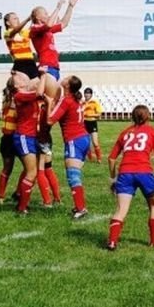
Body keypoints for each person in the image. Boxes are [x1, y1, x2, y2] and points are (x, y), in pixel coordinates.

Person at [106, 105, 154, 250]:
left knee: (121, 209)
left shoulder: (125, 133)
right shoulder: (153, 132)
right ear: (148, 117)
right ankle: (153, 242)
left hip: (125, 173)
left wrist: (113, 179)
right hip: (144, 172)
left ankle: (112, 241)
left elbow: (111, 159)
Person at [45, 75, 91, 219]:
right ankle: (80, 206)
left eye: (67, 78)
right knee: (75, 174)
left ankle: (81, 208)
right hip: (84, 138)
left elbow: (50, 120)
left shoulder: (67, 100)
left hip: (74, 140)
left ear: (68, 86)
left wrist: (49, 103)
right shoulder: (76, 100)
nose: (64, 77)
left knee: (73, 175)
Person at [11, 74, 48, 214]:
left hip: (30, 136)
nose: (24, 78)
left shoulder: (25, 94)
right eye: (20, 79)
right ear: (17, 85)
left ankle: (21, 199)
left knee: (30, 171)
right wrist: (44, 75)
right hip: (24, 136)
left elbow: (37, 88)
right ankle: (22, 207)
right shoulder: (19, 95)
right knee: (32, 172)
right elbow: (39, 91)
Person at [30, 0, 79, 98]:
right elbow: (49, 24)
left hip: (55, 67)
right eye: (45, 13)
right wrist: (58, 8)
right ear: (37, 16)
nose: (48, 15)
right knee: (51, 102)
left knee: (54, 103)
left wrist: (70, 7)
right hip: (47, 67)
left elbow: (63, 24)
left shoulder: (47, 30)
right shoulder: (35, 28)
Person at [0, 79, 20, 204]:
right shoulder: (14, 100)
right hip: (15, 137)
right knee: (30, 168)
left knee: (7, 168)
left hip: (7, 138)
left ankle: (1, 196)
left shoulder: (7, 100)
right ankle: (18, 192)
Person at [3, 12, 39, 92]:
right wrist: (27, 19)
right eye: (14, 19)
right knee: (22, 89)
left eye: (18, 18)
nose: (17, 20)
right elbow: (15, 31)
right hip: (20, 63)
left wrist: (34, 19)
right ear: (8, 22)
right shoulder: (7, 33)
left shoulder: (24, 32)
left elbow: (33, 30)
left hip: (31, 62)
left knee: (36, 88)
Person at [83, 87, 104, 163]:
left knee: (95, 142)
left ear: (91, 95)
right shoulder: (82, 102)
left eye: (88, 93)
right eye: (85, 93)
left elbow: (99, 114)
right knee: (86, 143)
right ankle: (90, 157)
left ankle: (99, 158)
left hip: (92, 123)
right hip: (84, 123)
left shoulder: (95, 103)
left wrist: (90, 115)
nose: (87, 95)